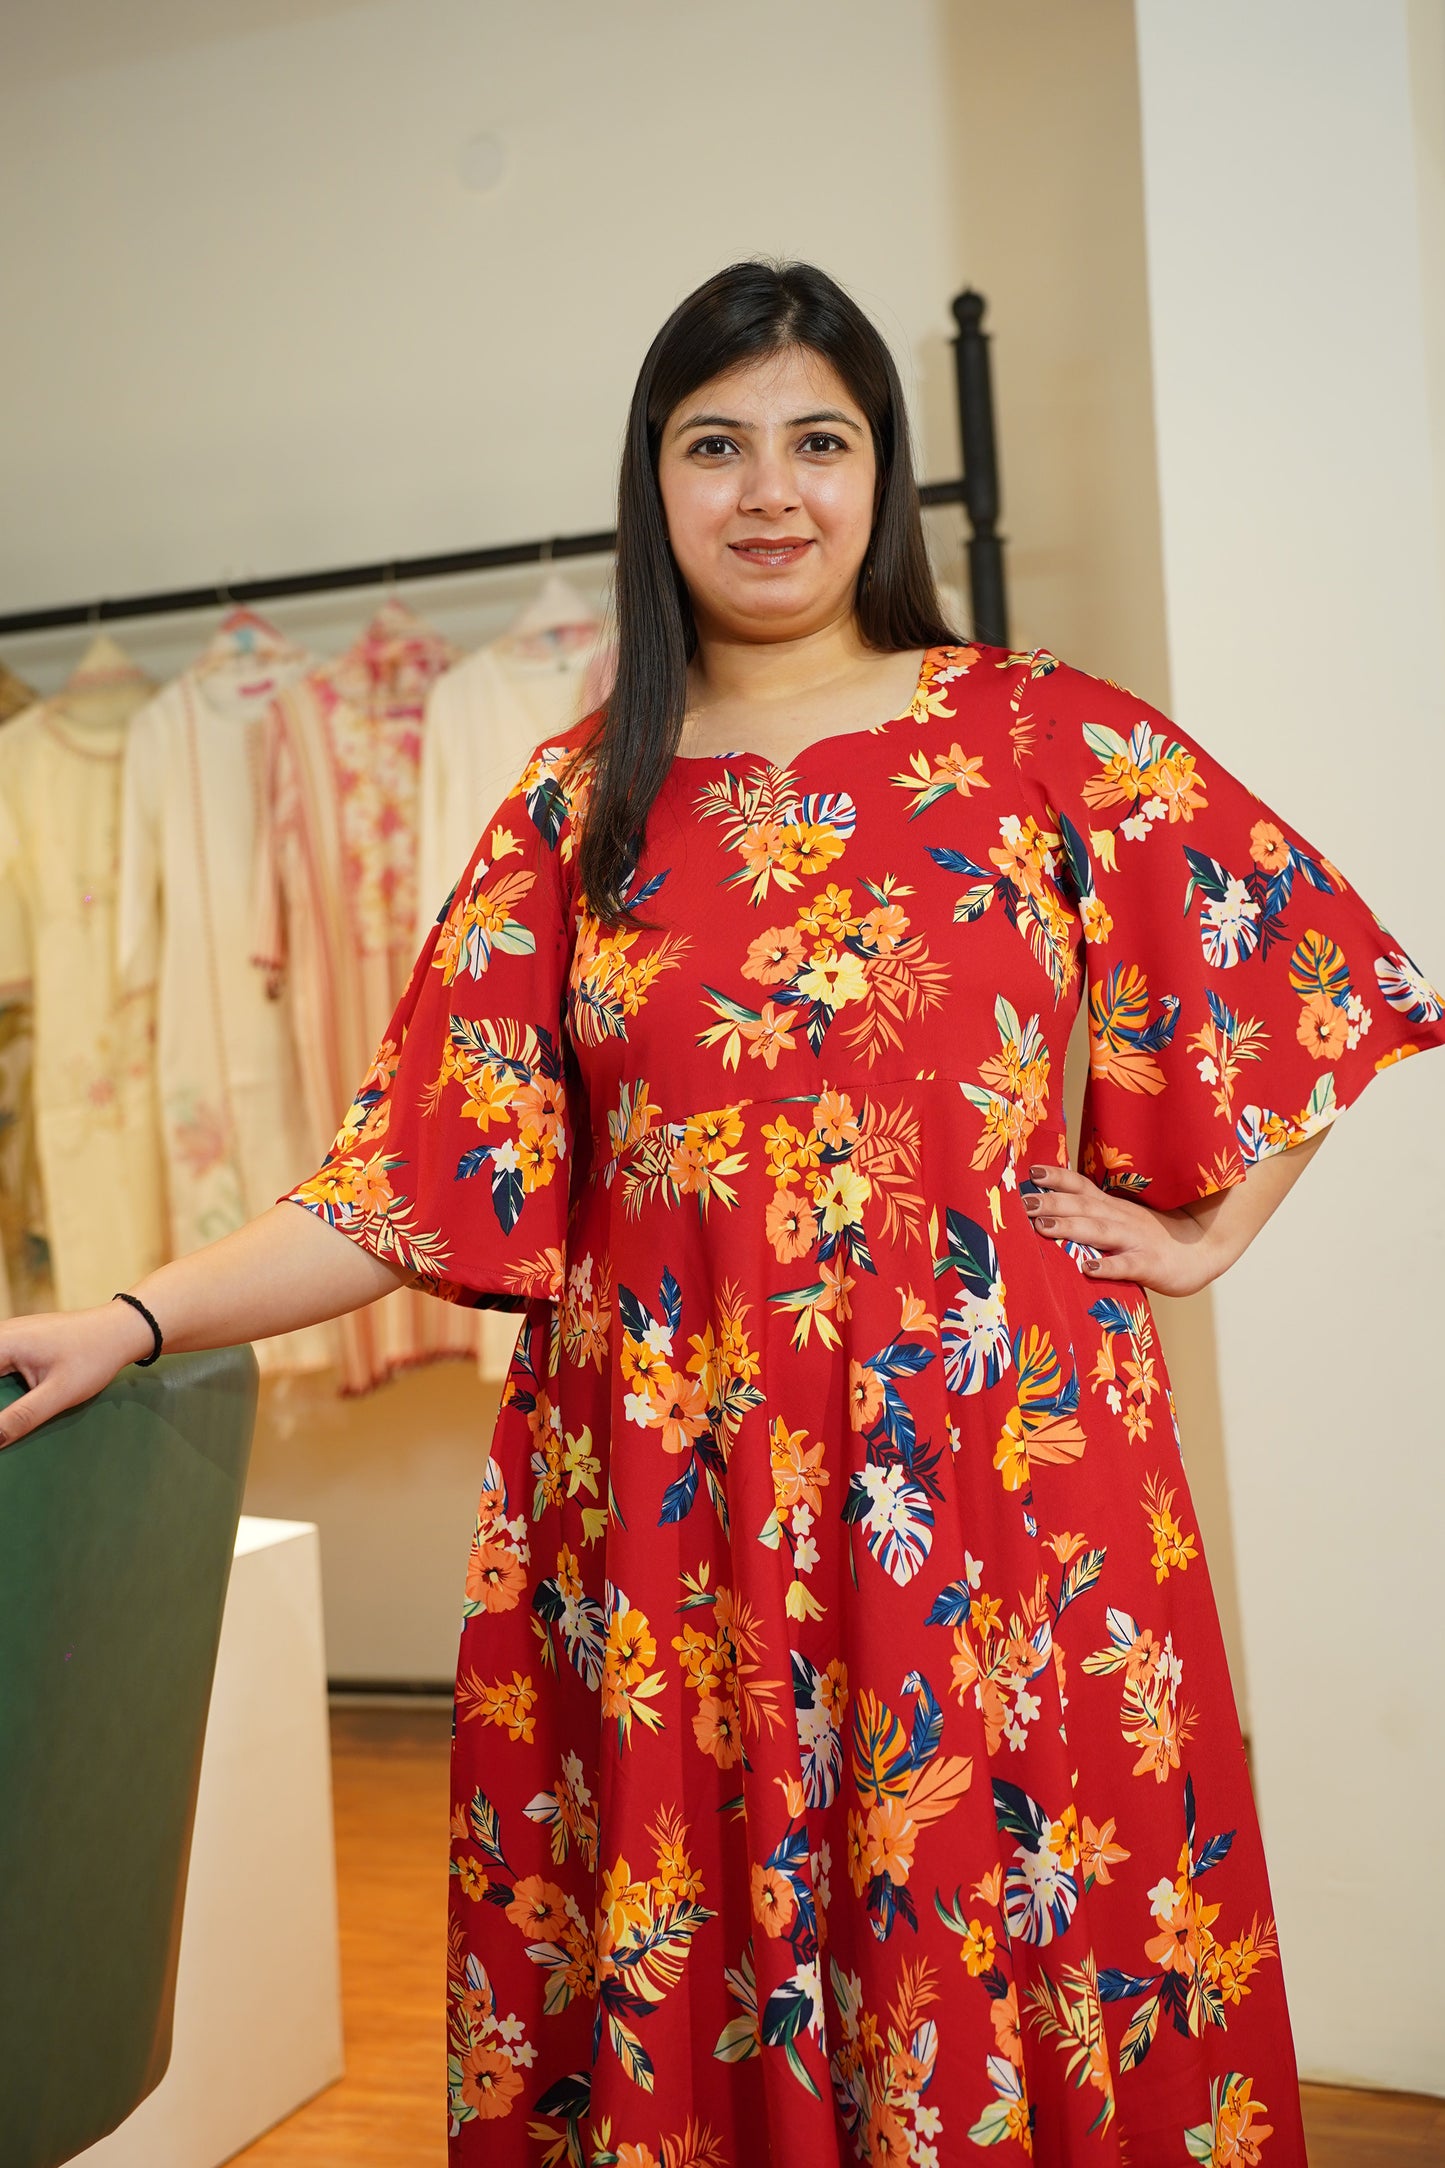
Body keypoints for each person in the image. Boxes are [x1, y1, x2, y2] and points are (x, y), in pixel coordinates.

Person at [3, 259, 1442, 2166]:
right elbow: (411, 1180)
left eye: (817, 442)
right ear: (652, 482)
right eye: (716, 445)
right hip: (675, 1507)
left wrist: (1207, 1231)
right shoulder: (569, 801)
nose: (770, 491)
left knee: (1006, 1928)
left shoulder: (1039, 736)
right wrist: (133, 1312)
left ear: (882, 478)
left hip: (1000, 1490)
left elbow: (1314, 974)